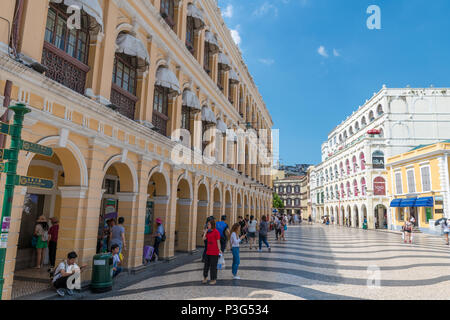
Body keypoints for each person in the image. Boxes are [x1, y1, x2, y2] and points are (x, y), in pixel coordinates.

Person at [202, 219, 222, 285]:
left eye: (209, 224)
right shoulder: (208, 232)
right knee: (206, 266)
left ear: (212, 225)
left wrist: (219, 250)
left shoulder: (216, 232)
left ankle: (213, 279)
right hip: (208, 252)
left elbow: (218, 242)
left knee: (213, 266)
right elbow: (203, 239)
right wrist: (205, 232)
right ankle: (205, 277)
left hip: (214, 252)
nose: (208, 225)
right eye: (207, 224)